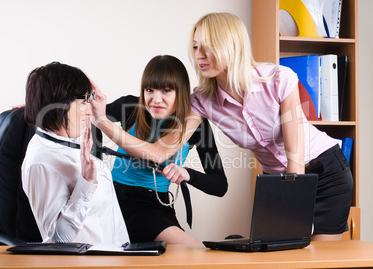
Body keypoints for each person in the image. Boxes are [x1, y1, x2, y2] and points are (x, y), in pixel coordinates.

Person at [91, 13, 353, 241]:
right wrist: (101, 121)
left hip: (325, 173)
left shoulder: (279, 80)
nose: (198, 56)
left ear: (231, 45)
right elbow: (159, 152)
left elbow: (294, 160)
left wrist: (294, 215)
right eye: (195, 47)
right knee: (279, 256)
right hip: (277, 181)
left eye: (207, 47)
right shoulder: (202, 101)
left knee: (314, 257)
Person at [103, 55, 227, 245]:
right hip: (118, 199)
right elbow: (87, 117)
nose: (156, 99)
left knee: (193, 257)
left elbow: (220, 185)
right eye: (149, 90)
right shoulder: (130, 107)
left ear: (181, 92)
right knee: (193, 252)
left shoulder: (196, 124)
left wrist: (187, 174)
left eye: (166, 91)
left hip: (160, 204)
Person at [22, 62, 129, 245]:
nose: (89, 110)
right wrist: (86, 182)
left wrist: (95, 105)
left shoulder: (68, 138)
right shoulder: (40, 162)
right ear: (60, 104)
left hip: (117, 257)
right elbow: (59, 236)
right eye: (84, 102)